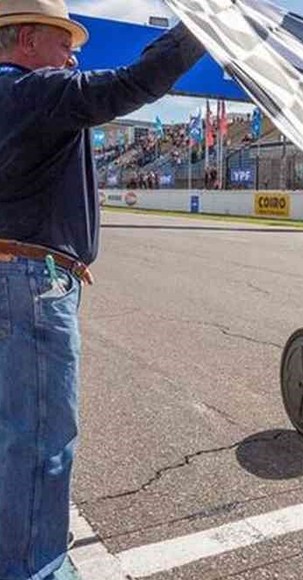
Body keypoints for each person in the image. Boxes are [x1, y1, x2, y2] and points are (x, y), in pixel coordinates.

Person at [0, 2, 205, 578]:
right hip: (29, 280)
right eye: (65, 42)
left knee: (12, 433)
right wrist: (205, 28)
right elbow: (130, 84)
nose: (74, 53)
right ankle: (33, 567)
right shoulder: (37, 92)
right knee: (40, 439)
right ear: (30, 41)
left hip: (11, 270)